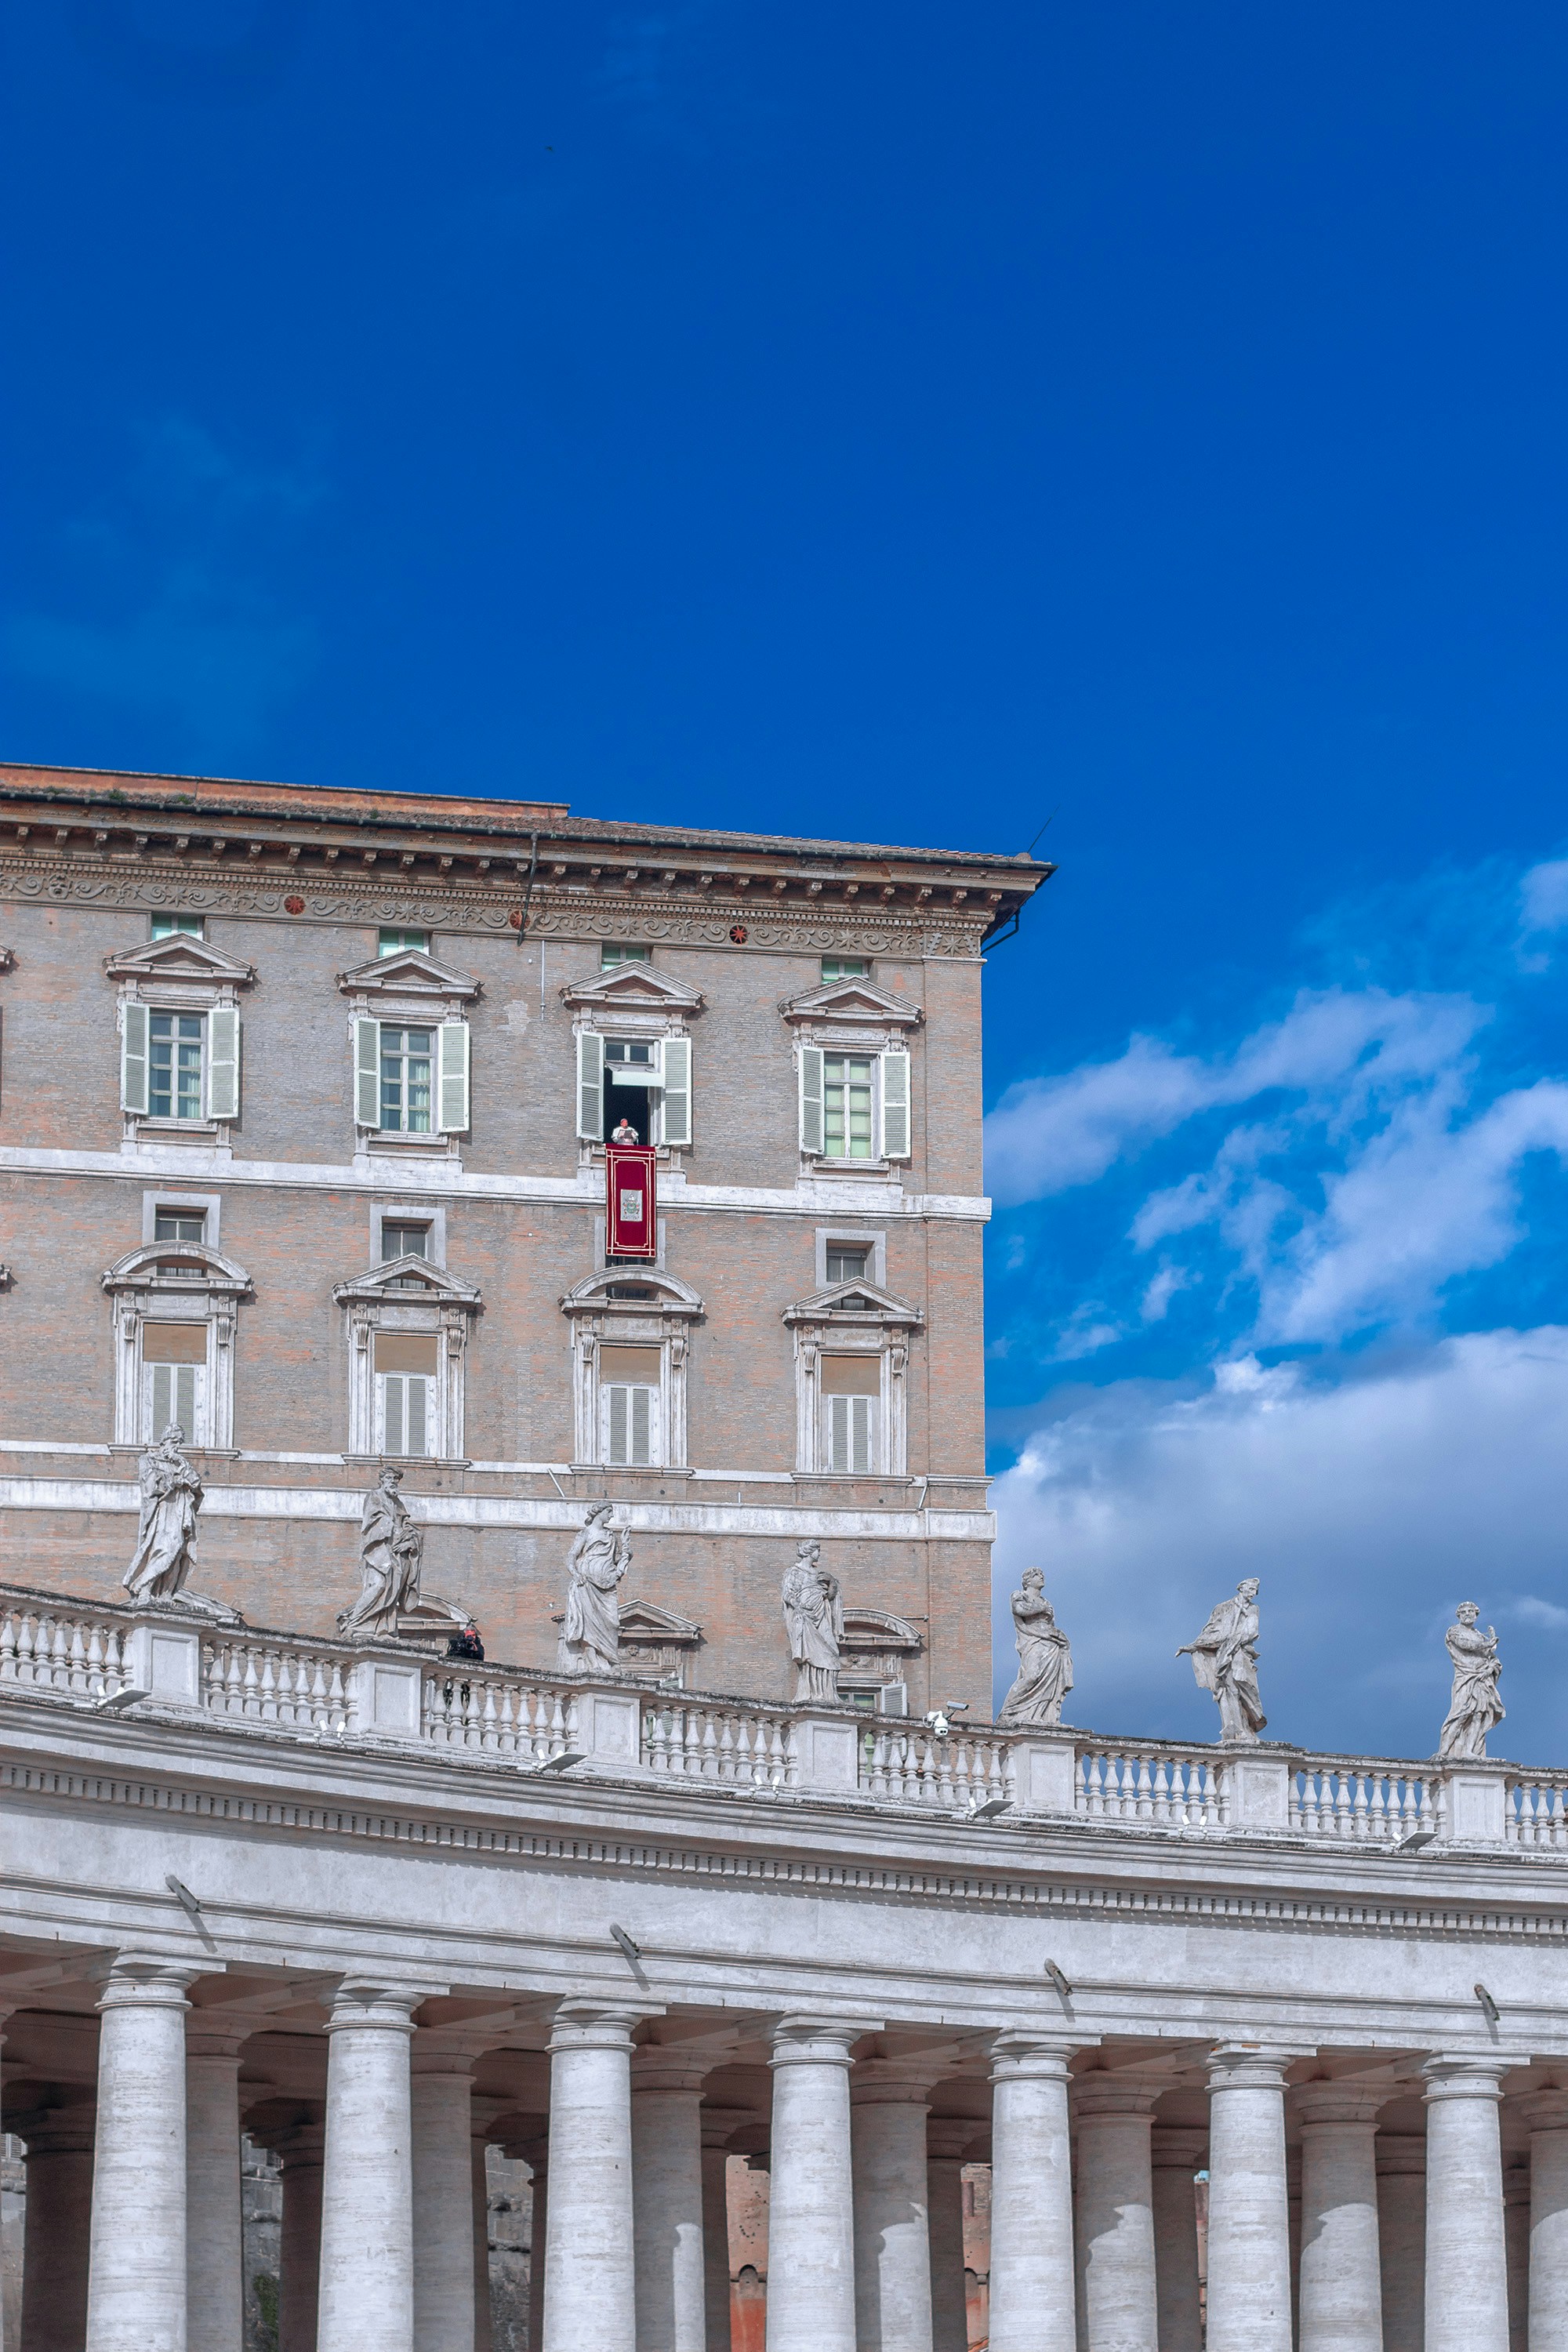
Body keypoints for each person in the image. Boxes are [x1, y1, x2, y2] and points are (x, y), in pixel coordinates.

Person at [123, 1424, 205, 1606]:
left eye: (180, 1443)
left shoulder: (182, 1463)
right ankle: (142, 1586)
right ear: (165, 1441)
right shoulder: (149, 1460)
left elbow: (196, 1483)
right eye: (174, 1441)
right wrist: (173, 1481)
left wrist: (182, 1466)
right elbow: (149, 1485)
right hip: (162, 1515)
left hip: (181, 1514)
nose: (177, 1446)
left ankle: (167, 1594)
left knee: (179, 1553)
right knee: (166, 1549)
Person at [1178, 1577, 1266, 1743]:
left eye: (1256, 1591)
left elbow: (1251, 1632)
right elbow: (1211, 1630)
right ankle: (1234, 1730)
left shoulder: (1254, 1609)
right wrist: (1196, 1645)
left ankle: (1247, 1728)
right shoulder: (1223, 1608)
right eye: (1251, 1589)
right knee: (1228, 1690)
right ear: (1241, 1588)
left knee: (1246, 1689)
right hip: (1224, 1654)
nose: (1254, 1593)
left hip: (1240, 1654)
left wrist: (1232, 1639)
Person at [339, 1467, 423, 1640]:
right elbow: (374, 1521)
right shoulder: (375, 1497)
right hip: (380, 1551)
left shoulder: (398, 1503)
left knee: (392, 1591)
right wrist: (394, 1530)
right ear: (383, 1479)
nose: (393, 1482)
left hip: (398, 1555)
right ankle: (355, 1623)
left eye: (396, 1480)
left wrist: (408, 1542)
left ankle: (384, 1629)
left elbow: (409, 1529)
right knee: (378, 1586)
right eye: (391, 1478)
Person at [558, 1501, 630, 1674]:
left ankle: (612, 1660)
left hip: (607, 1584)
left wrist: (626, 1545)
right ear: (599, 1512)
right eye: (609, 1511)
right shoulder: (586, 1533)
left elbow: (617, 1560)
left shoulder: (611, 1536)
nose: (611, 1516)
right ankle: (594, 1663)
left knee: (612, 1623)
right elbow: (571, 1556)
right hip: (587, 1582)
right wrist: (576, 1575)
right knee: (589, 1625)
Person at [998, 1568, 1073, 1726]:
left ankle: (1044, 1716)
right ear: (1028, 1580)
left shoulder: (1046, 1602)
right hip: (1033, 1641)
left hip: (1051, 1643)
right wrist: (1041, 1609)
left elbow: (1049, 1622)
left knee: (1050, 1682)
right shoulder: (1019, 1595)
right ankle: (1009, 1712)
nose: (1041, 1577)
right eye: (1037, 1575)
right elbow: (1019, 1609)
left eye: (1042, 1575)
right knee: (1032, 1676)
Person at [1436, 1602, 1504, 1760]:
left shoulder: (1480, 1635)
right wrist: (1488, 1643)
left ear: (1476, 1615)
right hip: (1466, 1678)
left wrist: (1489, 1669)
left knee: (1479, 1715)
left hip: (1481, 1678)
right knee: (1461, 1714)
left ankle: (1470, 1752)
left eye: (1471, 1611)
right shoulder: (1454, 1631)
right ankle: (1444, 1752)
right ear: (1459, 1615)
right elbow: (1465, 1645)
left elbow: (1494, 1660)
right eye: (1464, 1612)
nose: (1468, 1614)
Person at [781, 1541, 844, 1703]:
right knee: (809, 1655)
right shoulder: (794, 1572)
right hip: (804, 1616)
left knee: (832, 1651)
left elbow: (830, 1596)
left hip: (822, 1614)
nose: (819, 1554)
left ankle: (829, 1694)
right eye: (818, 1550)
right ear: (809, 1551)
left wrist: (832, 1584)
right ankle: (811, 1693)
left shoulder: (819, 1574)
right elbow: (787, 1594)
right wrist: (798, 1607)